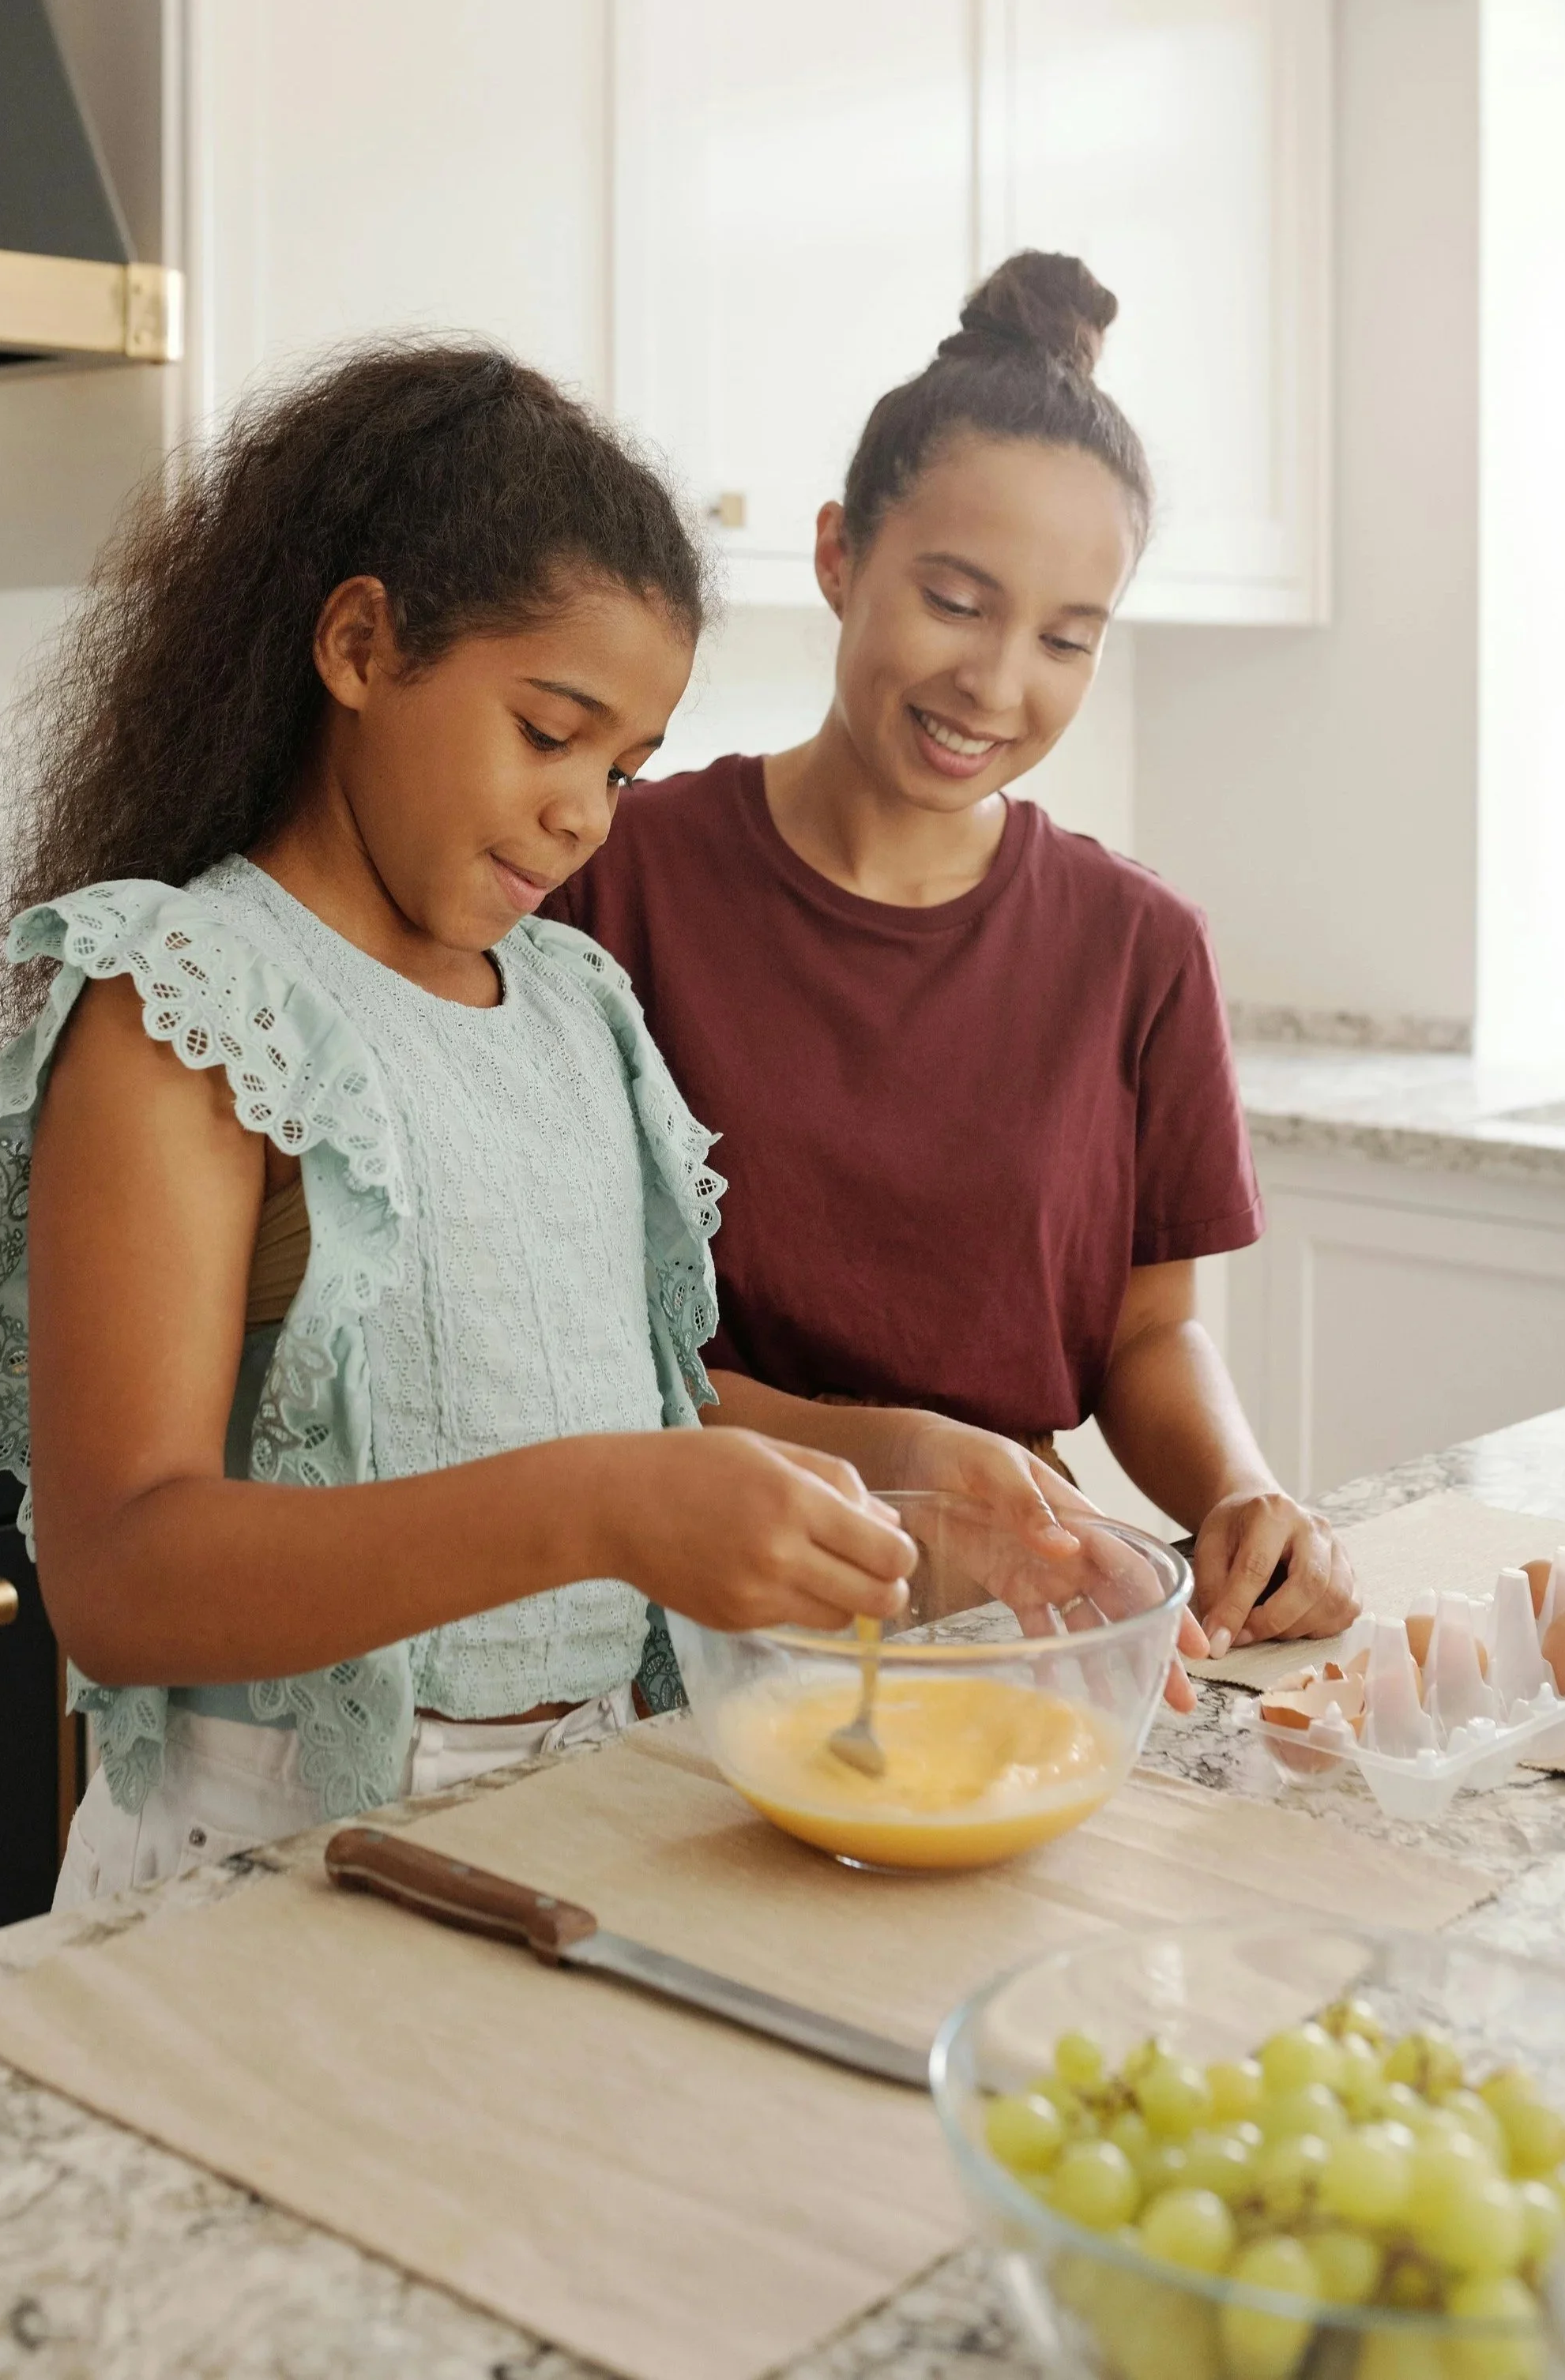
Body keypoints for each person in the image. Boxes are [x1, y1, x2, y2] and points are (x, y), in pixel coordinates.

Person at [0, 341, 1151, 1904]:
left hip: (589, 1817)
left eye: (625, 768)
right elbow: (123, 1578)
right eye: (548, 732)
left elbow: (588, 1403)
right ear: (359, 647)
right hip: (273, 1865)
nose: (585, 811)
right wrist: (603, 1510)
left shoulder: (570, 1000)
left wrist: (892, 1456)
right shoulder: (187, 1000)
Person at [544, 254, 1356, 1659]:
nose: (997, 684)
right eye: (958, 601)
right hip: (661, 1627)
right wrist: (896, 1464)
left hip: (1009, 1634)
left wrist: (1244, 1494)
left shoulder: (1139, 946)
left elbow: (1146, 1337)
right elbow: (562, 1341)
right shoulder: (610, 878)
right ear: (837, 556)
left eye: (1065, 637)